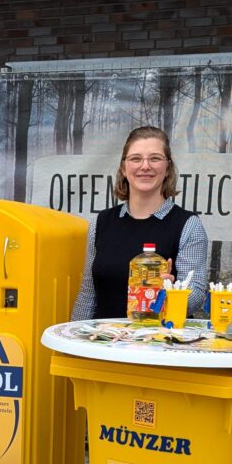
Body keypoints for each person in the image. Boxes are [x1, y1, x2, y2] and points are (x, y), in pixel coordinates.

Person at [71, 126, 208, 320]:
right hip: (104, 344)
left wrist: (173, 293)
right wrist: (76, 340)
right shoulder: (101, 223)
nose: (145, 166)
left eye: (155, 158)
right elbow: (87, 295)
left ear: (167, 168)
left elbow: (196, 294)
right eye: (136, 159)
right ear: (123, 168)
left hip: (161, 346)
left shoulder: (188, 225)